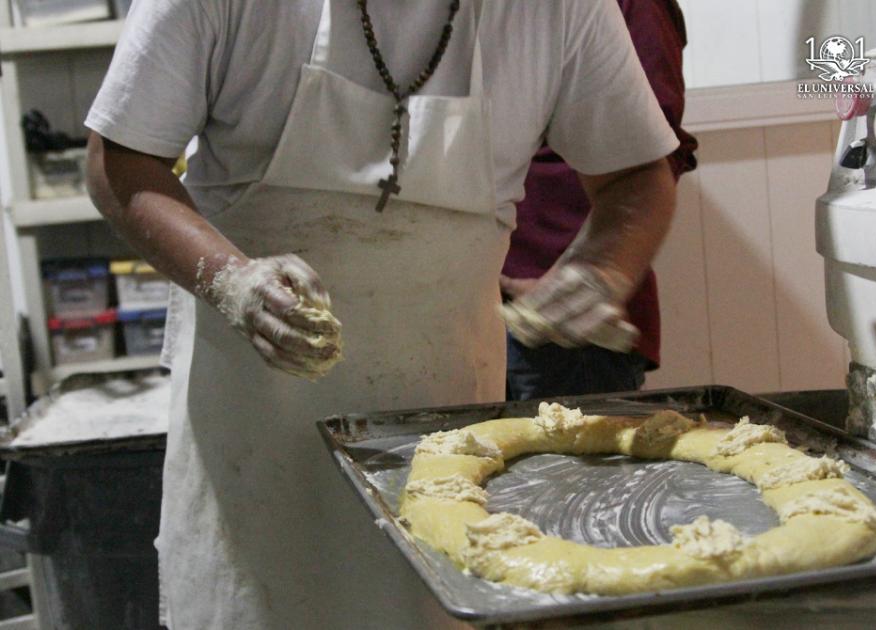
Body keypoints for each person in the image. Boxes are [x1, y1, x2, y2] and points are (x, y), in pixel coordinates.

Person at [84, 1, 679, 627]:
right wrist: (231, 279)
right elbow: (119, 158)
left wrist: (604, 267)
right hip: (250, 422)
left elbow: (636, 174)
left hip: (444, 424)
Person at [501, 0, 698, 400]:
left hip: (569, 311)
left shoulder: (634, 6)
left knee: (567, 459)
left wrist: (593, 271)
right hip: (486, 301)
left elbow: (649, 154)